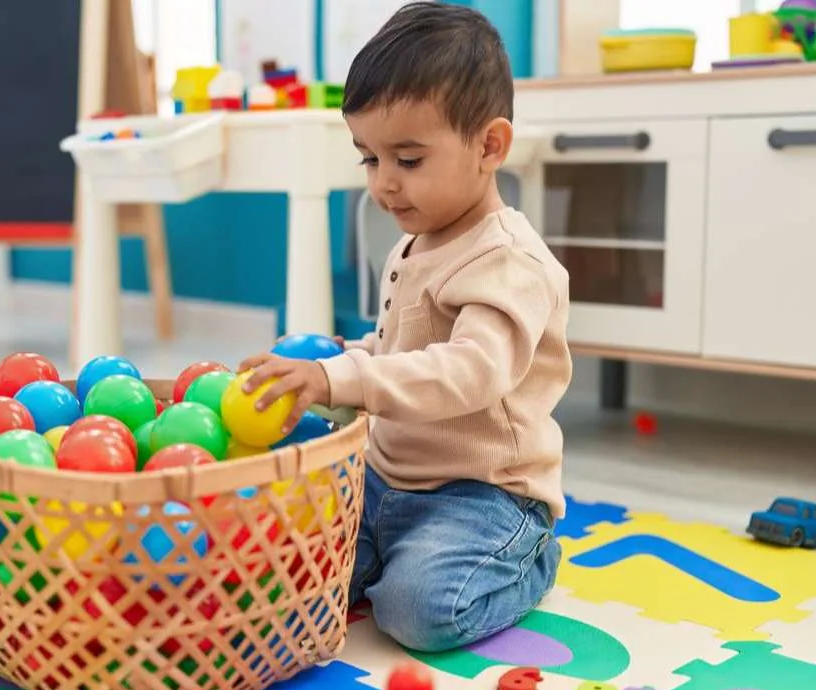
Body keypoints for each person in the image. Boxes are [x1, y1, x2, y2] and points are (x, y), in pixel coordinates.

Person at [238, 1, 571, 652]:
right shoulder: (416, 238)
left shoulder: (509, 262)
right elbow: (401, 349)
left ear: (489, 145)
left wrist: (342, 377)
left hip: (482, 496)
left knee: (420, 613)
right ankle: (390, 555)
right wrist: (341, 356)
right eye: (369, 159)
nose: (384, 184)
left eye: (408, 160)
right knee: (293, 573)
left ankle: (530, 561)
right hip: (384, 478)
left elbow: (467, 372)